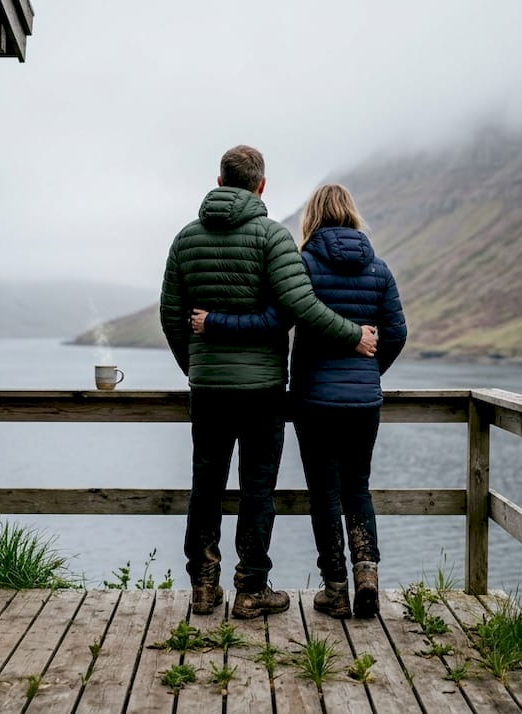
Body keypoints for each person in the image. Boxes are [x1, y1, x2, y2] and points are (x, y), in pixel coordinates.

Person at [159, 146, 379, 619]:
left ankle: (202, 587)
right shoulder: (273, 239)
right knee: (258, 490)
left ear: (219, 182)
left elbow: (171, 316)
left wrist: (196, 366)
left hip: (209, 390)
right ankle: (251, 591)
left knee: (206, 486)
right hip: (262, 393)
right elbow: (301, 308)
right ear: (261, 186)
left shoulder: (185, 240)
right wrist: (354, 336)